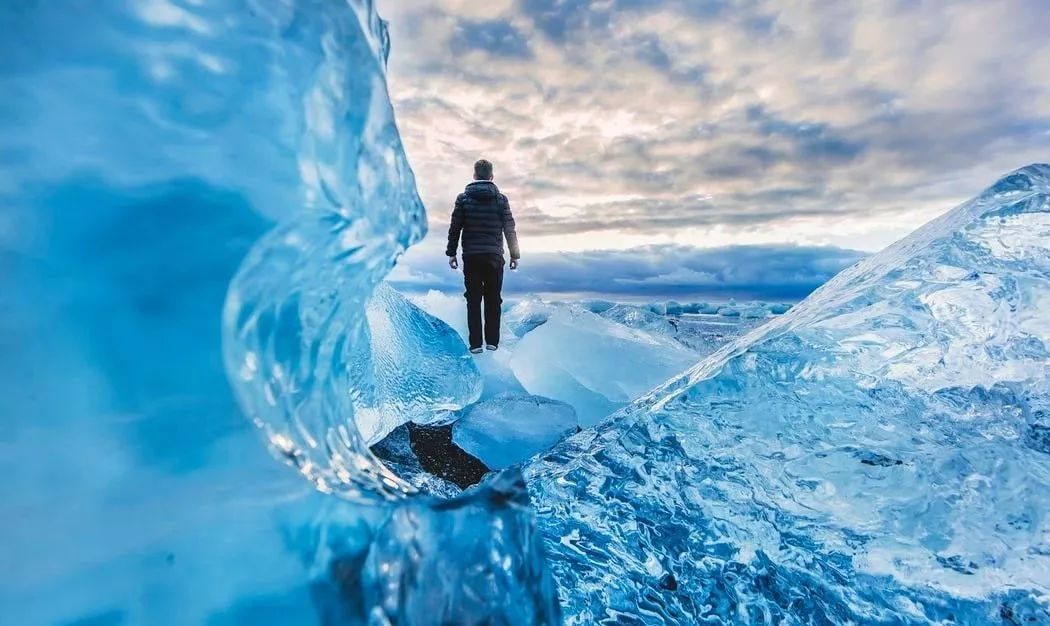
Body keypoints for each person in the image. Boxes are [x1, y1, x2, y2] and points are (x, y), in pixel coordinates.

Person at [446, 159, 520, 354]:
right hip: (494, 256)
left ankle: (476, 344)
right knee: (493, 299)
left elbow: (455, 228)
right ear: (491, 176)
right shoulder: (501, 199)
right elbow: (509, 229)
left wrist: (451, 253)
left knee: (473, 300)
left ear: (474, 175)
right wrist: (515, 255)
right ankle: (492, 342)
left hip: (471, 256)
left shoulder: (463, 198)